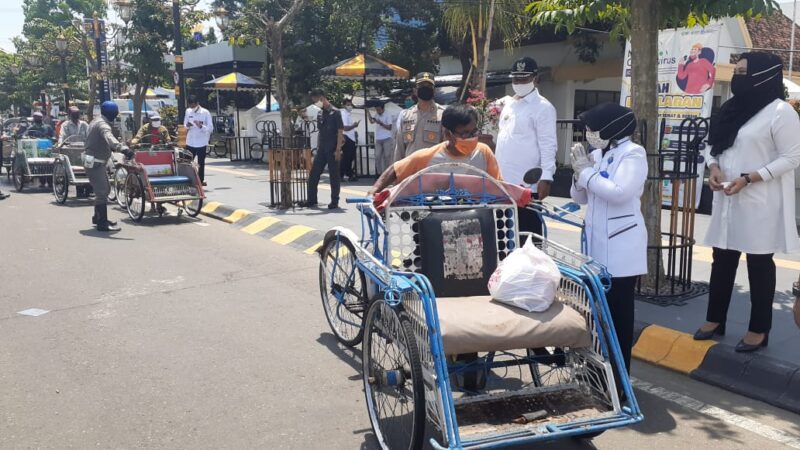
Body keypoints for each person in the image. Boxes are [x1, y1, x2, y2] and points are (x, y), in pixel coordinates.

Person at [693, 52, 800, 352]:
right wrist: (713, 167)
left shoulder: (781, 112)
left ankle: (759, 328)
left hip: (759, 200)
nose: (737, 76)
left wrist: (750, 178)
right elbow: (713, 145)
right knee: (722, 258)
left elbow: (792, 157)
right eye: (736, 71)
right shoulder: (731, 107)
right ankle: (715, 319)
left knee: (759, 263)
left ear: (764, 76)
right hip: (727, 197)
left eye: (743, 71)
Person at [569, 102, 647, 382]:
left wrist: (587, 173)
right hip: (597, 246)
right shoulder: (599, 153)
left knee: (618, 318)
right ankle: (596, 372)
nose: (589, 133)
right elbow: (580, 198)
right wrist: (579, 174)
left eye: (593, 128)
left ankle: (619, 377)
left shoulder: (633, 154)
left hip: (621, 248)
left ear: (612, 128)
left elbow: (618, 193)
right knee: (596, 315)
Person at [368, 104, 501, 195]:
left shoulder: (484, 152)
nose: (471, 138)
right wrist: (373, 192)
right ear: (448, 134)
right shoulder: (427, 157)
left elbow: (499, 186)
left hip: (477, 219)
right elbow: (395, 170)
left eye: (474, 132)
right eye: (465, 133)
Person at [495, 57, 557, 242]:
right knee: (504, 235)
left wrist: (546, 177)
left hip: (527, 183)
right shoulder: (508, 106)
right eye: (516, 79)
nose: (519, 83)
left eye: (524, 78)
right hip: (503, 182)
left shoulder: (543, 107)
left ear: (535, 78)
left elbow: (548, 145)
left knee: (528, 235)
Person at [85, 101, 133, 232]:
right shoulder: (102, 124)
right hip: (95, 162)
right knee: (102, 192)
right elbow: (109, 138)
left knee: (104, 189)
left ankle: (98, 217)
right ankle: (102, 223)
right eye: (115, 113)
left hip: (95, 161)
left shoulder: (96, 121)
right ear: (111, 113)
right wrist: (123, 149)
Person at [392, 72, 445, 163]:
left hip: (432, 170)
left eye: (429, 86)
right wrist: (397, 173)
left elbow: (446, 147)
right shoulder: (405, 115)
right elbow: (399, 148)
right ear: (415, 91)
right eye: (421, 86)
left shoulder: (443, 114)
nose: (425, 88)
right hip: (410, 171)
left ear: (434, 90)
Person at [306, 88, 344, 209]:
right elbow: (320, 132)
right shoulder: (320, 113)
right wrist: (317, 147)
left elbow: (340, 132)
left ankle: (334, 201)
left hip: (333, 149)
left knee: (334, 176)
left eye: (315, 100)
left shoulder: (336, 112)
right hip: (322, 148)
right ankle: (312, 200)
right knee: (314, 174)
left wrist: (338, 150)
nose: (315, 103)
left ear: (322, 98)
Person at [184, 95, 213, 186]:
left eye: (193, 106)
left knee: (201, 163)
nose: (192, 108)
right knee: (188, 162)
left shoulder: (205, 112)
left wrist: (201, 126)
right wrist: (188, 125)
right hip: (190, 140)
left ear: (197, 104)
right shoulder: (188, 111)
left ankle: (200, 180)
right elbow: (185, 124)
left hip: (201, 142)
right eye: (190, 106)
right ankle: (188, 179)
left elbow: (210, 128)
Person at [368, 102, 395, 175]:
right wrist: (368, 112)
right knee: (377, 156)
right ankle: (379, 173)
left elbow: (389, 127)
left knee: (387, 156)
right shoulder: (376, 114)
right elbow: (371, 122)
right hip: (378, 138)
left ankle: (387, 173)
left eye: (379, 110)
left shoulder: (387, 115)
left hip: (387, 138)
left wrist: (381, 123)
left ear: (383, 109)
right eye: (376, 110)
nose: (378, 111)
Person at [339, 98, 361, 181]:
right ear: (344, 105)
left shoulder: (348, 114)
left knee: (349, 158)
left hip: (351, 138)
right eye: (348, 105)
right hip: (347, 137)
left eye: (350, 104)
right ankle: (341, 175)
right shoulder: (344, 114)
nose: (350, 106)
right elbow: (344, 128)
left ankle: (349, 174)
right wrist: (354, 126)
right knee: (346, 158)